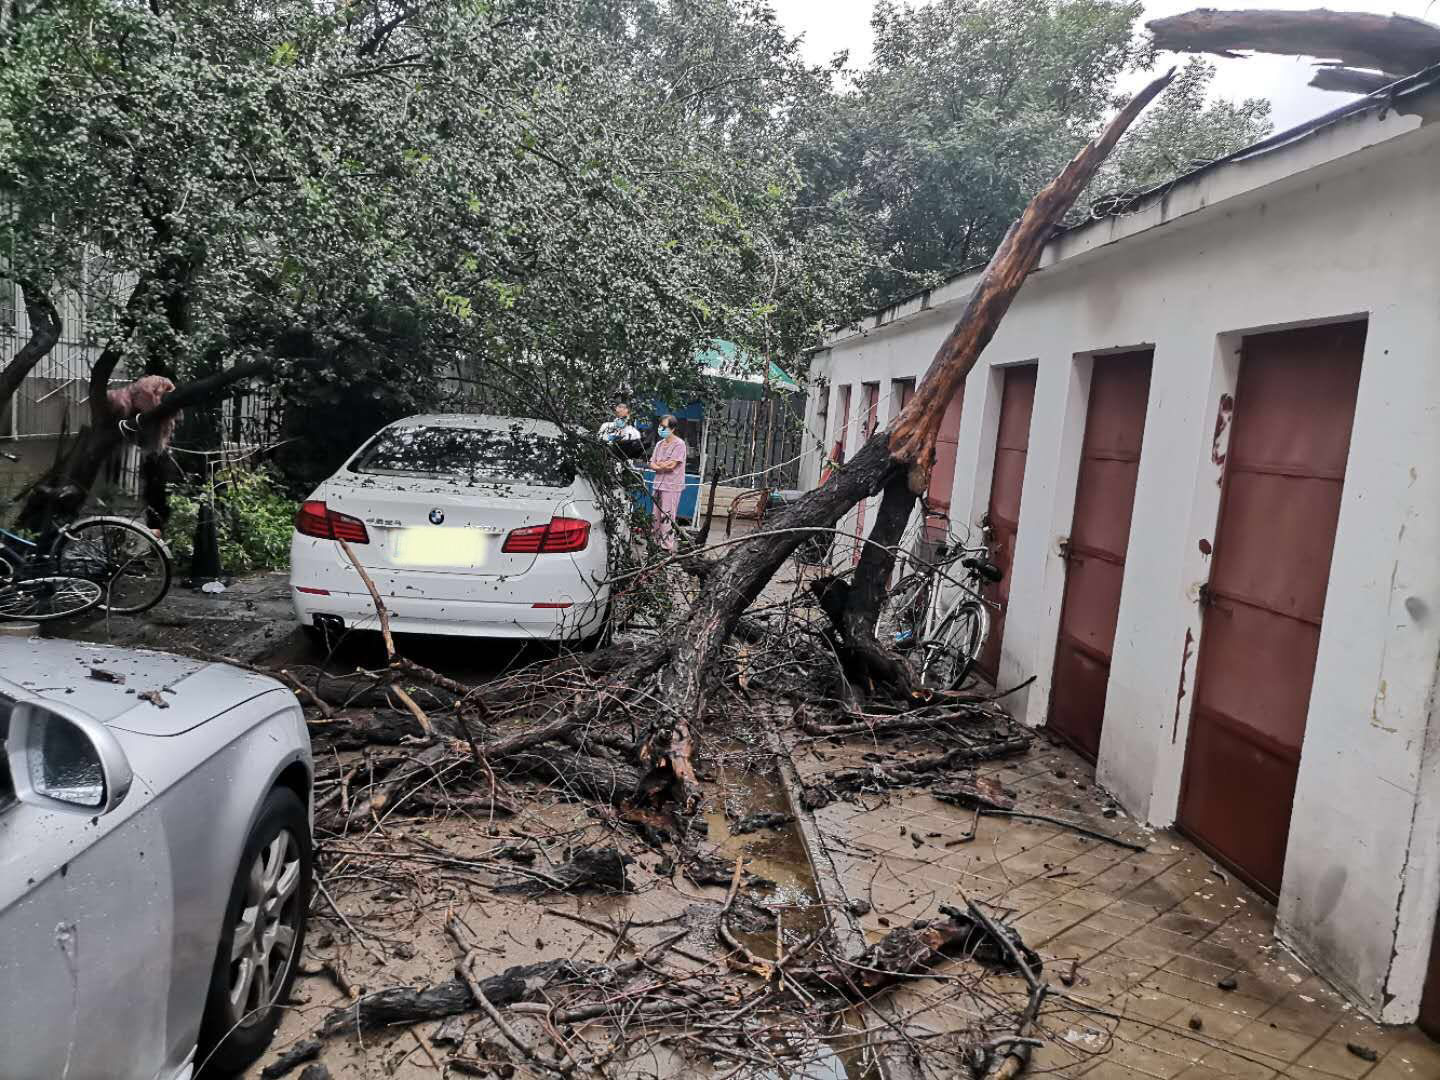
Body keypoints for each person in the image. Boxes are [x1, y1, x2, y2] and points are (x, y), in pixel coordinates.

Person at [648, 413, 687, 550]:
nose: (661, 429)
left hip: (671, 486)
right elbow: (651, 463)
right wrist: (660, 465)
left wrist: (659, 465)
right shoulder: (659, 444)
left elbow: (671, 466)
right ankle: (655, 544)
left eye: (663, 427)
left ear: (672, 429)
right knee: (655, 517)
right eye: (660, 426)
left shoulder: (679, 444)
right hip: (658, 484)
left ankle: (666, 546)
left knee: (667, 517)